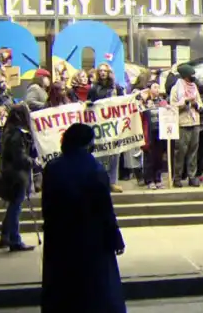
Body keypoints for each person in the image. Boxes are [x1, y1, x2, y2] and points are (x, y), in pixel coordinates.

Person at [40, 123, 126, 313]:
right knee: (96, 291)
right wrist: (114, 236)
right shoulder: (94, 168)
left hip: (60, 237)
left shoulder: (53, 168)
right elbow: (105, 208)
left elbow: (47, 206)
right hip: (91, 237)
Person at [0, 104, 36, 252]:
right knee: (15, 207)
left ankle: (5, 236)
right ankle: (14, 239)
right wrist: (32, 162)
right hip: (17, 175)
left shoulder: (9, 131)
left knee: (13, 206)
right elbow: (19, 156)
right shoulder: (17, 134)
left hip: (10, 173)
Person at [88, 63, 125, 192]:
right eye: (101, 71)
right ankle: (100, 182)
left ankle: (113, 182)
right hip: (99, 125)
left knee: (114, 153)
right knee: (100, 154)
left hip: (113, 124)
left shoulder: (116, 88)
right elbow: (89, 102)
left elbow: (124, 101)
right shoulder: (94, 88)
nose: (103, 73)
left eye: (105, 71)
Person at [169, 64, 203, 188]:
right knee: (180, 152)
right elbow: (172, 106)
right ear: (186, 76)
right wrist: (186, 102)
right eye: (191, 76)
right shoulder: (175, 89)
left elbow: (200, 104)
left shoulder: (194, 87)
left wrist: (196, 105)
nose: (193, 78)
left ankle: (192, 176)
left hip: (195, 122)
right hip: (182, 123)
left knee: (193, 151)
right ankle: (177, 177)